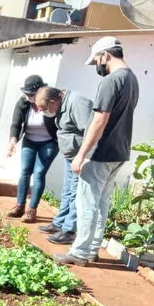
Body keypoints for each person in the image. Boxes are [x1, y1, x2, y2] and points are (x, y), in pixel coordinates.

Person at [53, 37, 139, 266]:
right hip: (119, 152)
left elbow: (100, 119)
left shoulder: (111, 81)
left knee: (87, 202)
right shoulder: (132, 79)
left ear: (106, 55)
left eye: (96, 61)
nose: (97, 66)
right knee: (101, 203)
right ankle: (91, 248)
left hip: (100, 153)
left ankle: (80, 253)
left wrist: (81, 154)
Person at [33, 86, 94, 245]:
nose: (43, 112)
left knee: (75, 192)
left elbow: (90, 131)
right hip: (71, 156)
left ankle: (69, 230)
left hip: (78, 157)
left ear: (53, 102)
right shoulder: (61, 105)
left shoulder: (77, 103)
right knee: (67, 190)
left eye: (44, 108)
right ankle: (59, 223)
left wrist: (82, 157)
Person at [5, 75, 59, 224]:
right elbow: (16, 124)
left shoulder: (49, 102)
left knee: (39, 172)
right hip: (30, 140)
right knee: (25, 171)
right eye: (26, 94)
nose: (28, 97)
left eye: (31, 95)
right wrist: (13, 141)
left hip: (49, 142)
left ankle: (32, 209)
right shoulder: (23, 103)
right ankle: (19, 206)